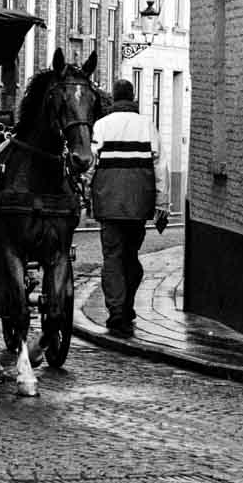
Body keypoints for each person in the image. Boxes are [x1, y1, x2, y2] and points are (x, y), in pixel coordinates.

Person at [89, 79, 170, 337]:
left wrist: (83, 192)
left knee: (112, 257)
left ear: (113, 99)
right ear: (133, 97)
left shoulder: (101, 126)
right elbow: (160, 166)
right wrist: (162, 202)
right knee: (131, 255)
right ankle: (128, 305)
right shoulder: (148, 126)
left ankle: (116, 311)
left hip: (108, 202)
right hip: (139, 203)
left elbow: (90, 164)